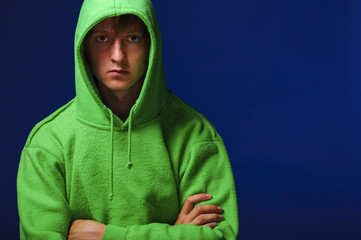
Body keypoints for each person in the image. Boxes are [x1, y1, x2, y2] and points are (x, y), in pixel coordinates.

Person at [17, 0, 239, 239]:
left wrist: (110, 236)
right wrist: (174, 234)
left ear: (151, 45)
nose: (118, 56)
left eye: (132, 38)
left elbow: (221, 236)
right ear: (84, 47)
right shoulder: (47, 145)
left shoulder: (196, 136)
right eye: (102, 39)